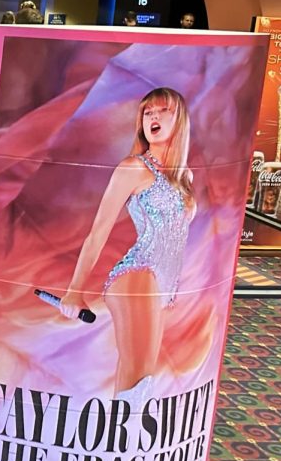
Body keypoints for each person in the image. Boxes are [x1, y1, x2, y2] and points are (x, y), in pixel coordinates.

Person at [59, 88, 194, 405]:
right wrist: (74, 289)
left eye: (163, 111)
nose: (154, 117)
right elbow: (98, 231)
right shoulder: (134, 168)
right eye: (148, 113)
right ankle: (121, 448)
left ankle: (115, 450)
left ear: (181, 120)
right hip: (138, 274)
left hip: (161, 285)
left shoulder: (184, 176)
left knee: (135, 380)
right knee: (140, 380)